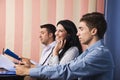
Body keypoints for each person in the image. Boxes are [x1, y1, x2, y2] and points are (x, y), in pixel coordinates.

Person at [16, 12, 114, 80]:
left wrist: (29, 71)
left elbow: (66, 71)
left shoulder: (99, 54)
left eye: (81, 29)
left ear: (93, 31)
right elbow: (64, 67)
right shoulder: (90, 52)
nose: (77, 33)